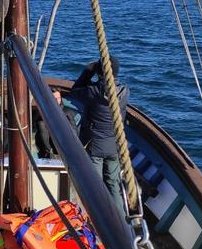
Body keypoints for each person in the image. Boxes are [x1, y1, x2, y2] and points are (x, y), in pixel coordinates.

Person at [70, 56, 130, 208]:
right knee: (113, 185)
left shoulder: (93, 92)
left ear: (100, 72)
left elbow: (75, 91)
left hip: (94, 146)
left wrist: (88, 72)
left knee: (94, 186)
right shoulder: (124, 92)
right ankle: (120, 219)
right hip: (114, 146)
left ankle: (94, 219)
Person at [32, 89, 78, 159]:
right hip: (46, 152)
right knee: (41, 123)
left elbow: (74, 132)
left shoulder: (67, 113)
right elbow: (39, 135)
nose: (57, 100)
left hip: (64, 151)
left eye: (58, 98)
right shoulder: (41, 115)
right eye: (54, 98)